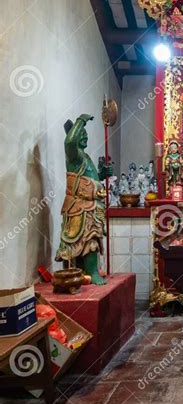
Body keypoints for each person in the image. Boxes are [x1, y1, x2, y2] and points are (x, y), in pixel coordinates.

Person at [56, 114, 112, 285]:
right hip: (79, 206)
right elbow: (69, 142)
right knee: (88, 239)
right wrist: (81, 120)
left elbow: (90, 178)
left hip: (90, 206)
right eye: (82, 134)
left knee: (90, 240)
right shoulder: (74, 156)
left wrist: (102, 174)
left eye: (86, 135)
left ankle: (88, 270)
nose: (85, 137)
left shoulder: (85, 157)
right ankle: (90, 272)